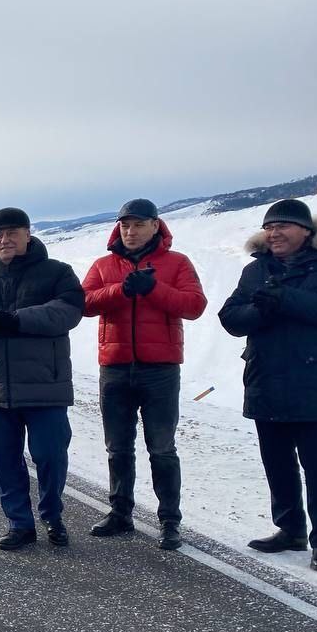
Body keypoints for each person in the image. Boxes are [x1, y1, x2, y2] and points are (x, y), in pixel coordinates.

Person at [219, 198, 317, 573]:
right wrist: (261, 310)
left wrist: (286, 299)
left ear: (306, 230)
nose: (274, 233)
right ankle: (290, 529)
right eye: (269, 227)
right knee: (278, 464)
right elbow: (230, 317)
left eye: (282, 226)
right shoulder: (256, 269)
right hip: (266, 379)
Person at [0, 207, 84, 550]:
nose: (4, 240)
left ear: (27, 234)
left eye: (11, 233)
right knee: (6, 461)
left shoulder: (57, 273)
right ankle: (19, 524)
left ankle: (52, 515)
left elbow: (69, 311)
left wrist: (17, 319)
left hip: (44, 385)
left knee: (50, 455)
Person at [82, 199, 207, 551]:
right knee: (117, 447)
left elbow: (194, 305)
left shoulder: (177, 262)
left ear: (155, 225)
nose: (131, 231)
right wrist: (121, 290)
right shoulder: (104, 265)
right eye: (125, 225)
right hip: (115, 366)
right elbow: (83, 303)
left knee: (162, 448)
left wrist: (153, 289)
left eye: (138, 224)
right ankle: (120, 512)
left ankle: (169, 520)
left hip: (160, 369)